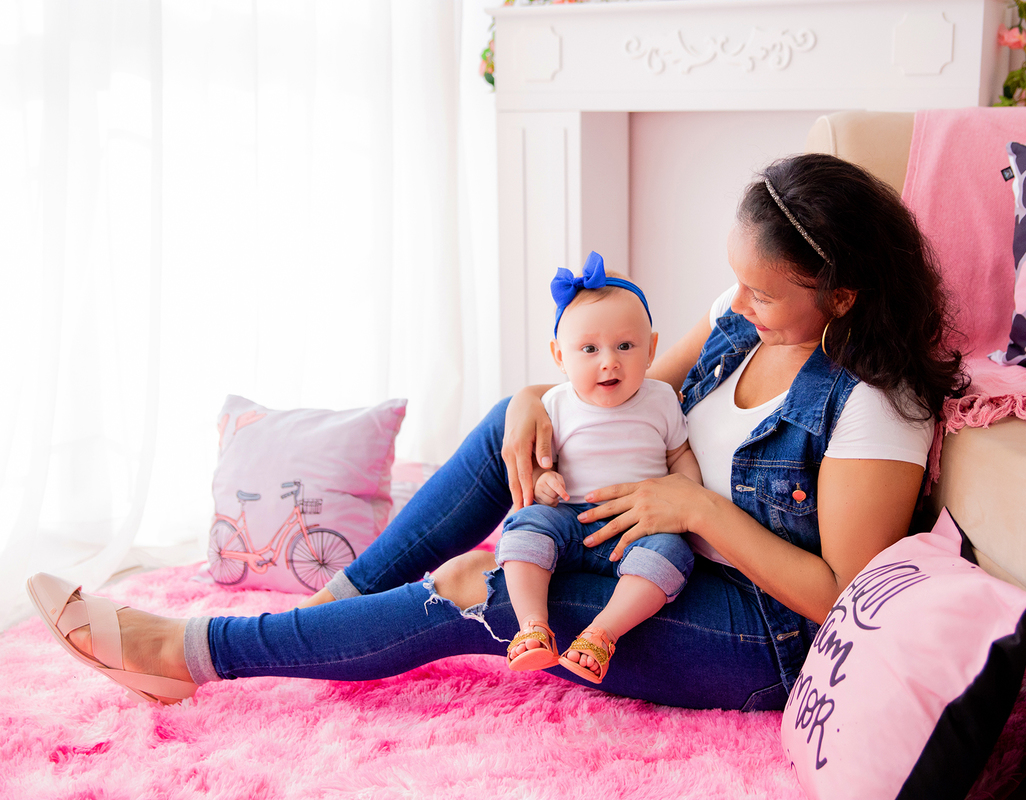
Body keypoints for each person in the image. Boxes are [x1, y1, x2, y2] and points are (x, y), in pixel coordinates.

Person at [26, 153, 966, 711]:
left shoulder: (873, 403)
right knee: (504, 426)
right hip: (649, 534)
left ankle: (191, 656)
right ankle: (328, 612)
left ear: (842, 296)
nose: (740, 303)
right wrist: (531, 395)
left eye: (763, 292)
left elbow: (838, 601)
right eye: (738, 281)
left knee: (482, 592)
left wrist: (694, 507)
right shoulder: (746, 313)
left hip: (753, 631)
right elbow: (628, 387)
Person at [498, 252, 702, 684]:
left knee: (673, 554)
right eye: (589, 349)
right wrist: (545, 482)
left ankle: (601, 635)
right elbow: (540, 466)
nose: (608, 361)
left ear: (652, 348)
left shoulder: (662, 399)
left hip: (639, 527)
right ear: (559, 355)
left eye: (625, 346)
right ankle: (532, 626)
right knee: (524, 525)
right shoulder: (555, 404)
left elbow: (679, 454)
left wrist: (686, 493)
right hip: (571, 518)